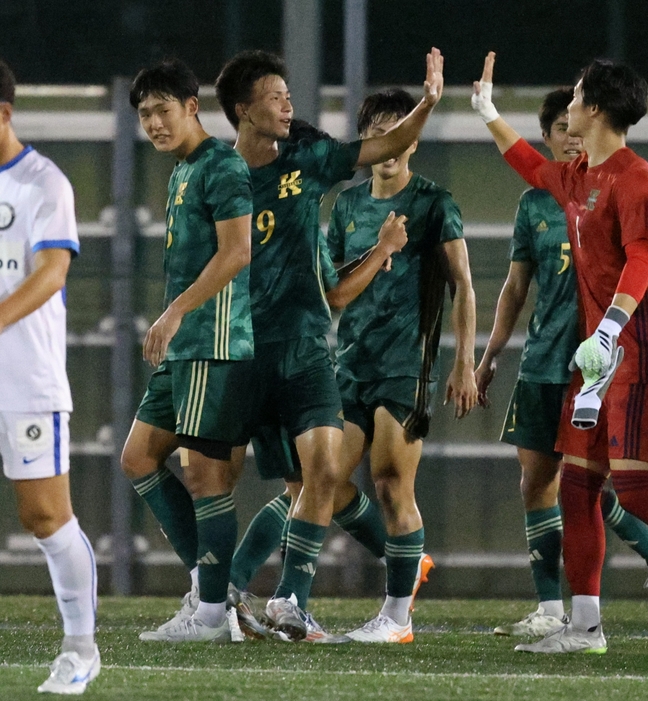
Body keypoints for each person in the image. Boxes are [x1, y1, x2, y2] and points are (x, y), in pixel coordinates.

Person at [472, 52, 648, 655]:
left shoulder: (636, 178)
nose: (569, 104)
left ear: (597, 108)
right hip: (599, 356)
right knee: (578, 489)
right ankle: (584, 628)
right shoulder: (580, 173)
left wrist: (606, 330)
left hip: (638, 353)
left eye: (577, 95)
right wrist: (488, 113)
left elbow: (641, 261)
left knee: (632, 490)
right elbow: (531, 166)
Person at [214, 51, 442, 641]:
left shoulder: (313, 166)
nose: (289, 104)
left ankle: (279, 595)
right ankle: (217, 597)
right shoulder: (220, 177)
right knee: (259, 480)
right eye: (275, 95)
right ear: (243, 110)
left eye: (290, 94)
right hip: (245, 350)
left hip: (325, 355)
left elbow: (455, 286)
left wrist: (431, 102)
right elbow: (339, 290)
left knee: (334, 477)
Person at [475, 87, 648, 637]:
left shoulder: (620, 183)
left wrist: (613, 329)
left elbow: (643, 259)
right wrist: (490, 355)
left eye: (575, 122)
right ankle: (554, 610)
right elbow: (517, 287)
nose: (570, 136)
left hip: (596, 359)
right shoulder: (541, 197)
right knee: (540, 482)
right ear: (548, 138)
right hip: (544, 357)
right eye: (560, 130)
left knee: (591, 479)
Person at [325, 87, 477, 644]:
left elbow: (463, 284)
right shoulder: (346, 205)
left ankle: (396, 618)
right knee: (325, 479)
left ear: (412, 139)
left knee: (390, 483)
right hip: (351, 362)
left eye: (399, 131)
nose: (388, 145)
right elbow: (338, 282)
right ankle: (408, 561)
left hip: (405, 363)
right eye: (377, 132)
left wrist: (465, 362)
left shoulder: (436, 202)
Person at [121, 58, 255, 643]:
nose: (153, 122)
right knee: (137, 458)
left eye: (162, 110)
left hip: (213, 344)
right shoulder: (181, 172)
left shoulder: (221, 165)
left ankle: (209, 613)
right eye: (145, 114)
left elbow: (238, 251)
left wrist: (174, 312)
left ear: (191, 107)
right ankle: (212, 590)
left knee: (205, 477)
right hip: (185, 348)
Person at [0, 58, 99, 695]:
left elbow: (51, 272)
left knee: (45, 517)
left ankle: (80, 649)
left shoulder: (43, 183)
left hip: (24, 380)